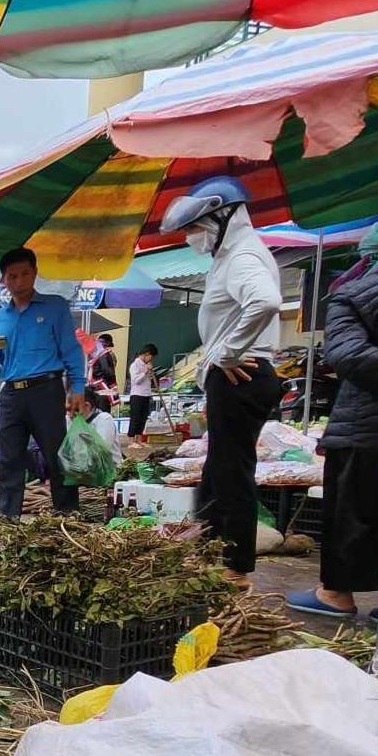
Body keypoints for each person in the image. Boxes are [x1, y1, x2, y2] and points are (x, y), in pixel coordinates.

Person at [160, 177, 283, 578]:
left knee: (232, 470)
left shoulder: (244, 256)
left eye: (194, 227)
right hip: (230, 375)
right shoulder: (229, 257)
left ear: (221, 218)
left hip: (240, 375)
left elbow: (265, 301)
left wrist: (228, 352)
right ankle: (209, 548)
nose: (191, 236)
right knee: (218, 468)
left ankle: (235, 570)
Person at [287, 211, 378, 619]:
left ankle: (336, 595)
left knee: (352, 513)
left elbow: (348, 355)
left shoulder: (354, 292)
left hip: (365, 427)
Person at [0, 247, 85, 519]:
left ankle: (67, 515)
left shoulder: (55, 307)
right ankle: (9, 518)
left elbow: (71, 350)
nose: (19, 281)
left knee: (56, 455)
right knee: (10, 457)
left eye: (25, 274)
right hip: (12, 393)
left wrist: (78, 388)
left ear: (35, 273)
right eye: (12, 276)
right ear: (4, 280)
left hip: (46, 390)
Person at [127, 344, 159, 441]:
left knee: (143, 418)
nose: (151, 359)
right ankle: (131, 440)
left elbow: (148, 381)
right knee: (135, 417)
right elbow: (135, 380)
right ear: (147, 354)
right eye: (151, 357)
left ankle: (139, 440)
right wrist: (145, 371)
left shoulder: (147, 365)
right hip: (137, 394)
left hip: (146, 394)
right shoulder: (135, 365)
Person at [85, 390, 124, 467]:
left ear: (87, 405)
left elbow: (102, 450)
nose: (69, 414)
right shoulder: (70, 419)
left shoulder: (104, 419)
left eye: (71, 409)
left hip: (110, 469)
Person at [88, 335, 119, 413]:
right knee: (103, 414)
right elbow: (108, 371)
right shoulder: (104, 355)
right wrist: (113, 385)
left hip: (93, 388)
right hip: (104, 388)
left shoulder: (92, 355)